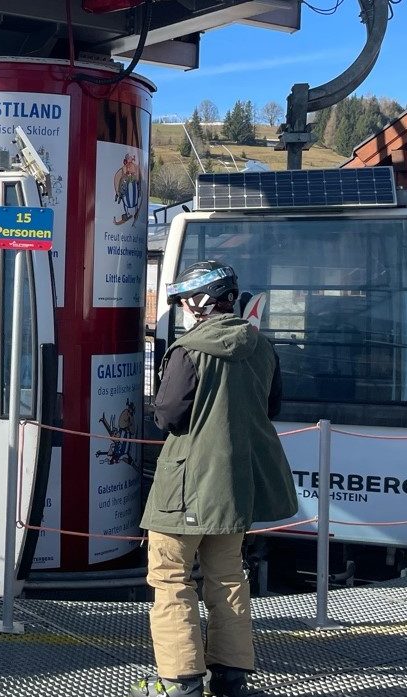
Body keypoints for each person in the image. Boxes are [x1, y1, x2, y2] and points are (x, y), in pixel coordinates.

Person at [130, 261, 297, 697]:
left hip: (184, 487)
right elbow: (272, 407)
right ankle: (231, 677)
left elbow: (169, 415)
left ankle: (179, 681)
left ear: (200, 301)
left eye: (184, 300)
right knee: (227, 578)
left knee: (171, 579)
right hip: (234, 487)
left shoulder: (189, 350)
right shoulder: (261, 347)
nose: (183, 309)